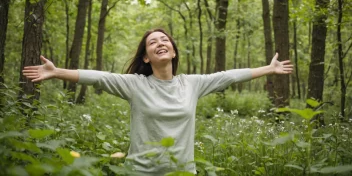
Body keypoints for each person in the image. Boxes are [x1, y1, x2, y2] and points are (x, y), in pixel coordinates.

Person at [23, 28, 293, 175]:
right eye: (153, 42)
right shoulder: (136, 85)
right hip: (140, 172)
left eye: (165, 40)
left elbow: (229, 76)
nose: (160, 43)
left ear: (173, 51)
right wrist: (57, 72)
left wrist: (268, 69)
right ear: (146, 57)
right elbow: (99, 77)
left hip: (183, 173)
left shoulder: (192, 84)